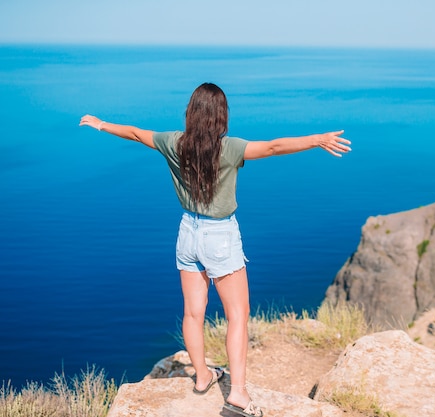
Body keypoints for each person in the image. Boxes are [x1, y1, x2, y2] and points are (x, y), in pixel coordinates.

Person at [79, 82, 351, 417]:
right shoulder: (230, 148)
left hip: (187, 233)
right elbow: (274, 147)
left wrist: (103, 124)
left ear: (191, 112)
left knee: (193, 312)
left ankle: (202, 377)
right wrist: (318, 140)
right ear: (221, 116)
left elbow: (135, 133)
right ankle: (237, 393)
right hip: (220, 235)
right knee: (237, 315)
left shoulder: (173, 142)